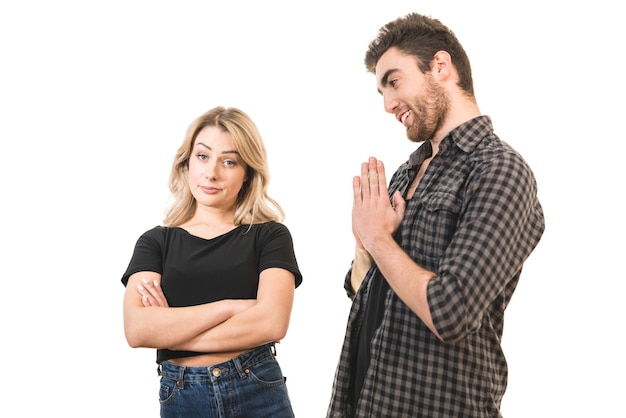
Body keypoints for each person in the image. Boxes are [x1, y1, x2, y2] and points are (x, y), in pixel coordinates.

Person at [327, 13, 545, 418]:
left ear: (440, 67)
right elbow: (365, 294)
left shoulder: (500, 170)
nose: (389, 104)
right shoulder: (407, 172)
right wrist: (364, 245)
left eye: (393, 81)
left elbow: (451, 310)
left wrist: (378, 239)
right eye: (382, 92)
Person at [121, 106, 302, 418]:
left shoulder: (270, 236)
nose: (212, 172)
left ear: (247, 173)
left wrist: (172, 330)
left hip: (256, 388)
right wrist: (231, 307)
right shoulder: (155, 242)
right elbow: (138, 330)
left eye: (229, 161)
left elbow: (272, 322)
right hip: (183, 396)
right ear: (186, 162)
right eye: (202, 156)